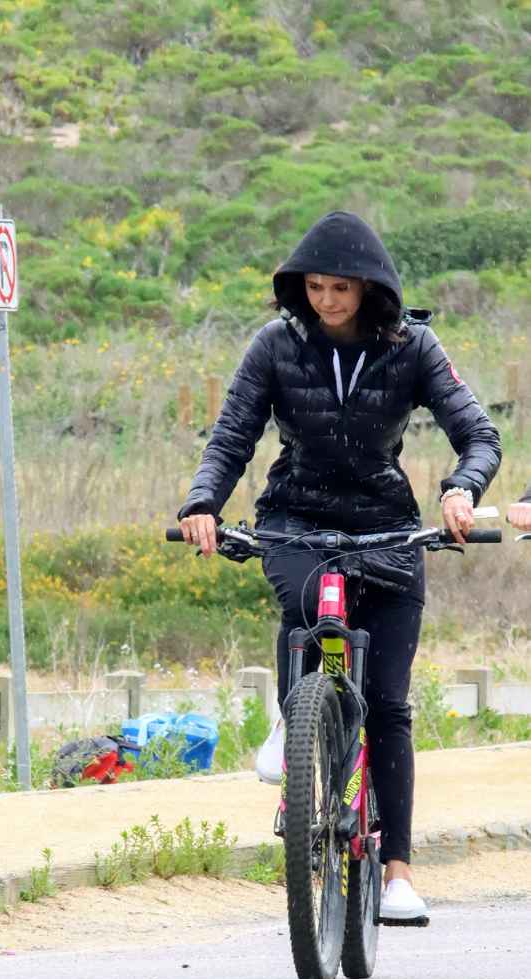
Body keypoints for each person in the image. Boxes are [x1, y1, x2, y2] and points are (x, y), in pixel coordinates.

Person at [178, 211, 501, 923]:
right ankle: (297, 723)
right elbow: (232, 433)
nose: (325, 301)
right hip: (296, 516)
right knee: (305, 602)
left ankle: (397, 875)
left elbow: (478, 433)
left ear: (370, 289)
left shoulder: (413, 345)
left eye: (340, 289)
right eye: (315, 288)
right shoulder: (274, 346)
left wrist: (460, 489)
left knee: (387, 704)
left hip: (388, 525)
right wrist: (203, 501)